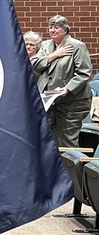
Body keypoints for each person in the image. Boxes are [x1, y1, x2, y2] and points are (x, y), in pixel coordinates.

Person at [31, 14, 92, 148]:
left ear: (65, 30)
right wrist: (54, 55)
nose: (52, 30)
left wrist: (67, 89)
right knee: (50, 139)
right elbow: (34, 64)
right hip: (49, 102)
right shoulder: (46, 45)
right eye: (50, 27)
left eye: (56, 27)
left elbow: (84, 72)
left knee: (67, 140)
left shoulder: (77, 46)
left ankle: (71, 168)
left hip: (72, 103)